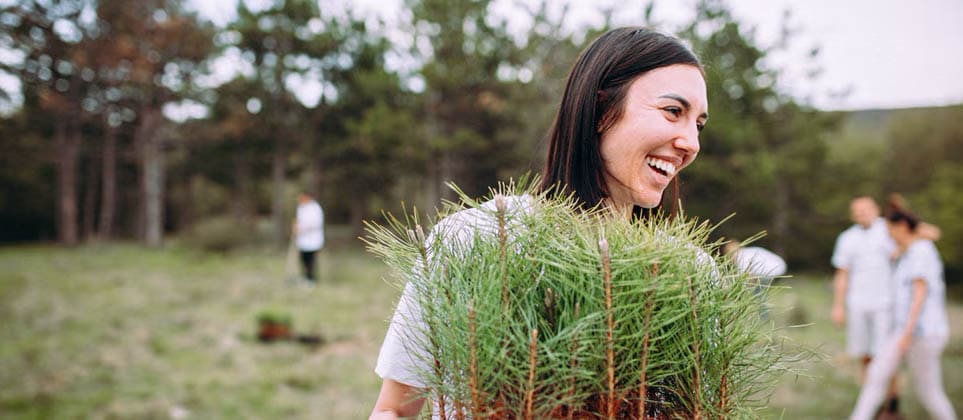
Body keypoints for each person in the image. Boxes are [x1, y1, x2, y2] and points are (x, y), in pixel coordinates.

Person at [370, 27, 707, 419]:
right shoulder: (476, 239)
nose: (691, 143)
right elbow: (394, 409)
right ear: (601, 111)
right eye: (673, 112)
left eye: (698, 124)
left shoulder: (690, 276)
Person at [849, 205, 956, 420]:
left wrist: (907, 333)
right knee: (876, 376)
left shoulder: (922, 251)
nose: (889, 235)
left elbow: (920, 294)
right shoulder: (909, 252)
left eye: (891, 230)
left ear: (903, 226)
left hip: (921, 332)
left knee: (929, 392)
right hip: (905, 331)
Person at [830, 196, 902, 413]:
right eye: (857, 211)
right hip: (858, 303)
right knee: (865, 353)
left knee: (886, 355)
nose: (861, 214)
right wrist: (838, 305)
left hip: (886, 303)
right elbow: (842, 274)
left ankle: (892, 401)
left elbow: (908, 247)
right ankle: (871, 401)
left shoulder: (889, 230)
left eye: (865, 209)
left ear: (875, 209)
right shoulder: (847, 238)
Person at [724, 241, 787, 318]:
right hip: (776, 266)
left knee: (758, 292)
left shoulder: (742, 257)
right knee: (759, 292)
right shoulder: (747, 252)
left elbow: (746, 277)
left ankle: (764, 315)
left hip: (770, 270)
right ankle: (763, 313)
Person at [293, 192, 324, 283]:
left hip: (312, 240)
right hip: (303, 240)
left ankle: (311, 278)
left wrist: (301, 227)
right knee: (303, 259)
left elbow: (314, 223)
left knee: (310, 260)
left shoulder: (315, 208)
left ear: (307, 197)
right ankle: (305, 277)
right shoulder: (301, 208)